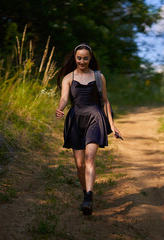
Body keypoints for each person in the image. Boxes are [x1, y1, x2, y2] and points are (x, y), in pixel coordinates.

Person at [55, 43, 123, 215]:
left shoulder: (99, 77)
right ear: (75, 57)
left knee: (90, 158)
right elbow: (64, 98)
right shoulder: (68, 78)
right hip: (76, 120)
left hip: (94, 118)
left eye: (85, 58)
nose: (82, 61)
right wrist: (60, 108)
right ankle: (86, 193)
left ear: (90, 58)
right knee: (79, 164)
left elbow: (105, 101)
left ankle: (89, 198)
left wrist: (112, 125)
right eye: (79, 58)